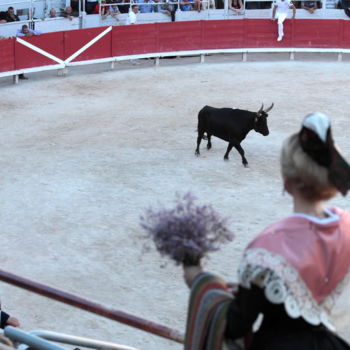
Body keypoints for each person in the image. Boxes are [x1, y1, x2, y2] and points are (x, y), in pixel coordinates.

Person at [183, 112, 350, 350]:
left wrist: (200, 279)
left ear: (286, 180)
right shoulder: (347, 227)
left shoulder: (266, 249)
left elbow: (234, 326)